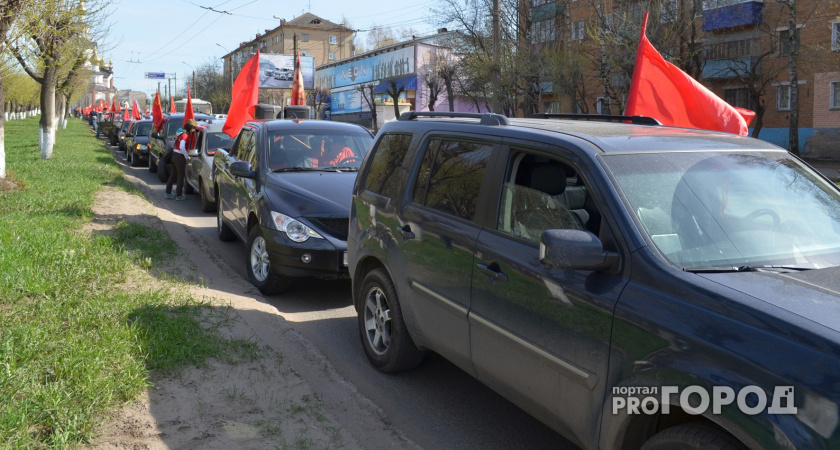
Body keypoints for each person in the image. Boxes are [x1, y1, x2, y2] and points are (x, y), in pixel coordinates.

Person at [164, 119, 197, 200]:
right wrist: (186, 156)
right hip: (179, 156)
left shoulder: (180, 133)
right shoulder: (185, 135)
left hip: (174, 155)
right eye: (193, 128)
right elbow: (182, 147)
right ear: (190, 127)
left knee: (173, 175)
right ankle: (179, 195)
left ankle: (168, 193)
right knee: (180, 176)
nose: (193, 130)